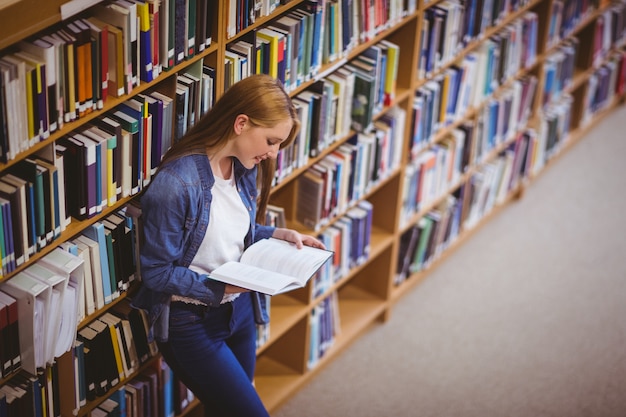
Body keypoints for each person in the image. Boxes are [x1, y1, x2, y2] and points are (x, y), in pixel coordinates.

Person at [131, 74, 326, 417]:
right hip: (191, 322)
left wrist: (278, 235)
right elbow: (156, 272)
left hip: (240, 311)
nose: (273, 153)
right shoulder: (176, 186)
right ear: (241, 123)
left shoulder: (243, 166)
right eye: (271, 140)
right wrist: (220, 286)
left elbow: (230, 232)